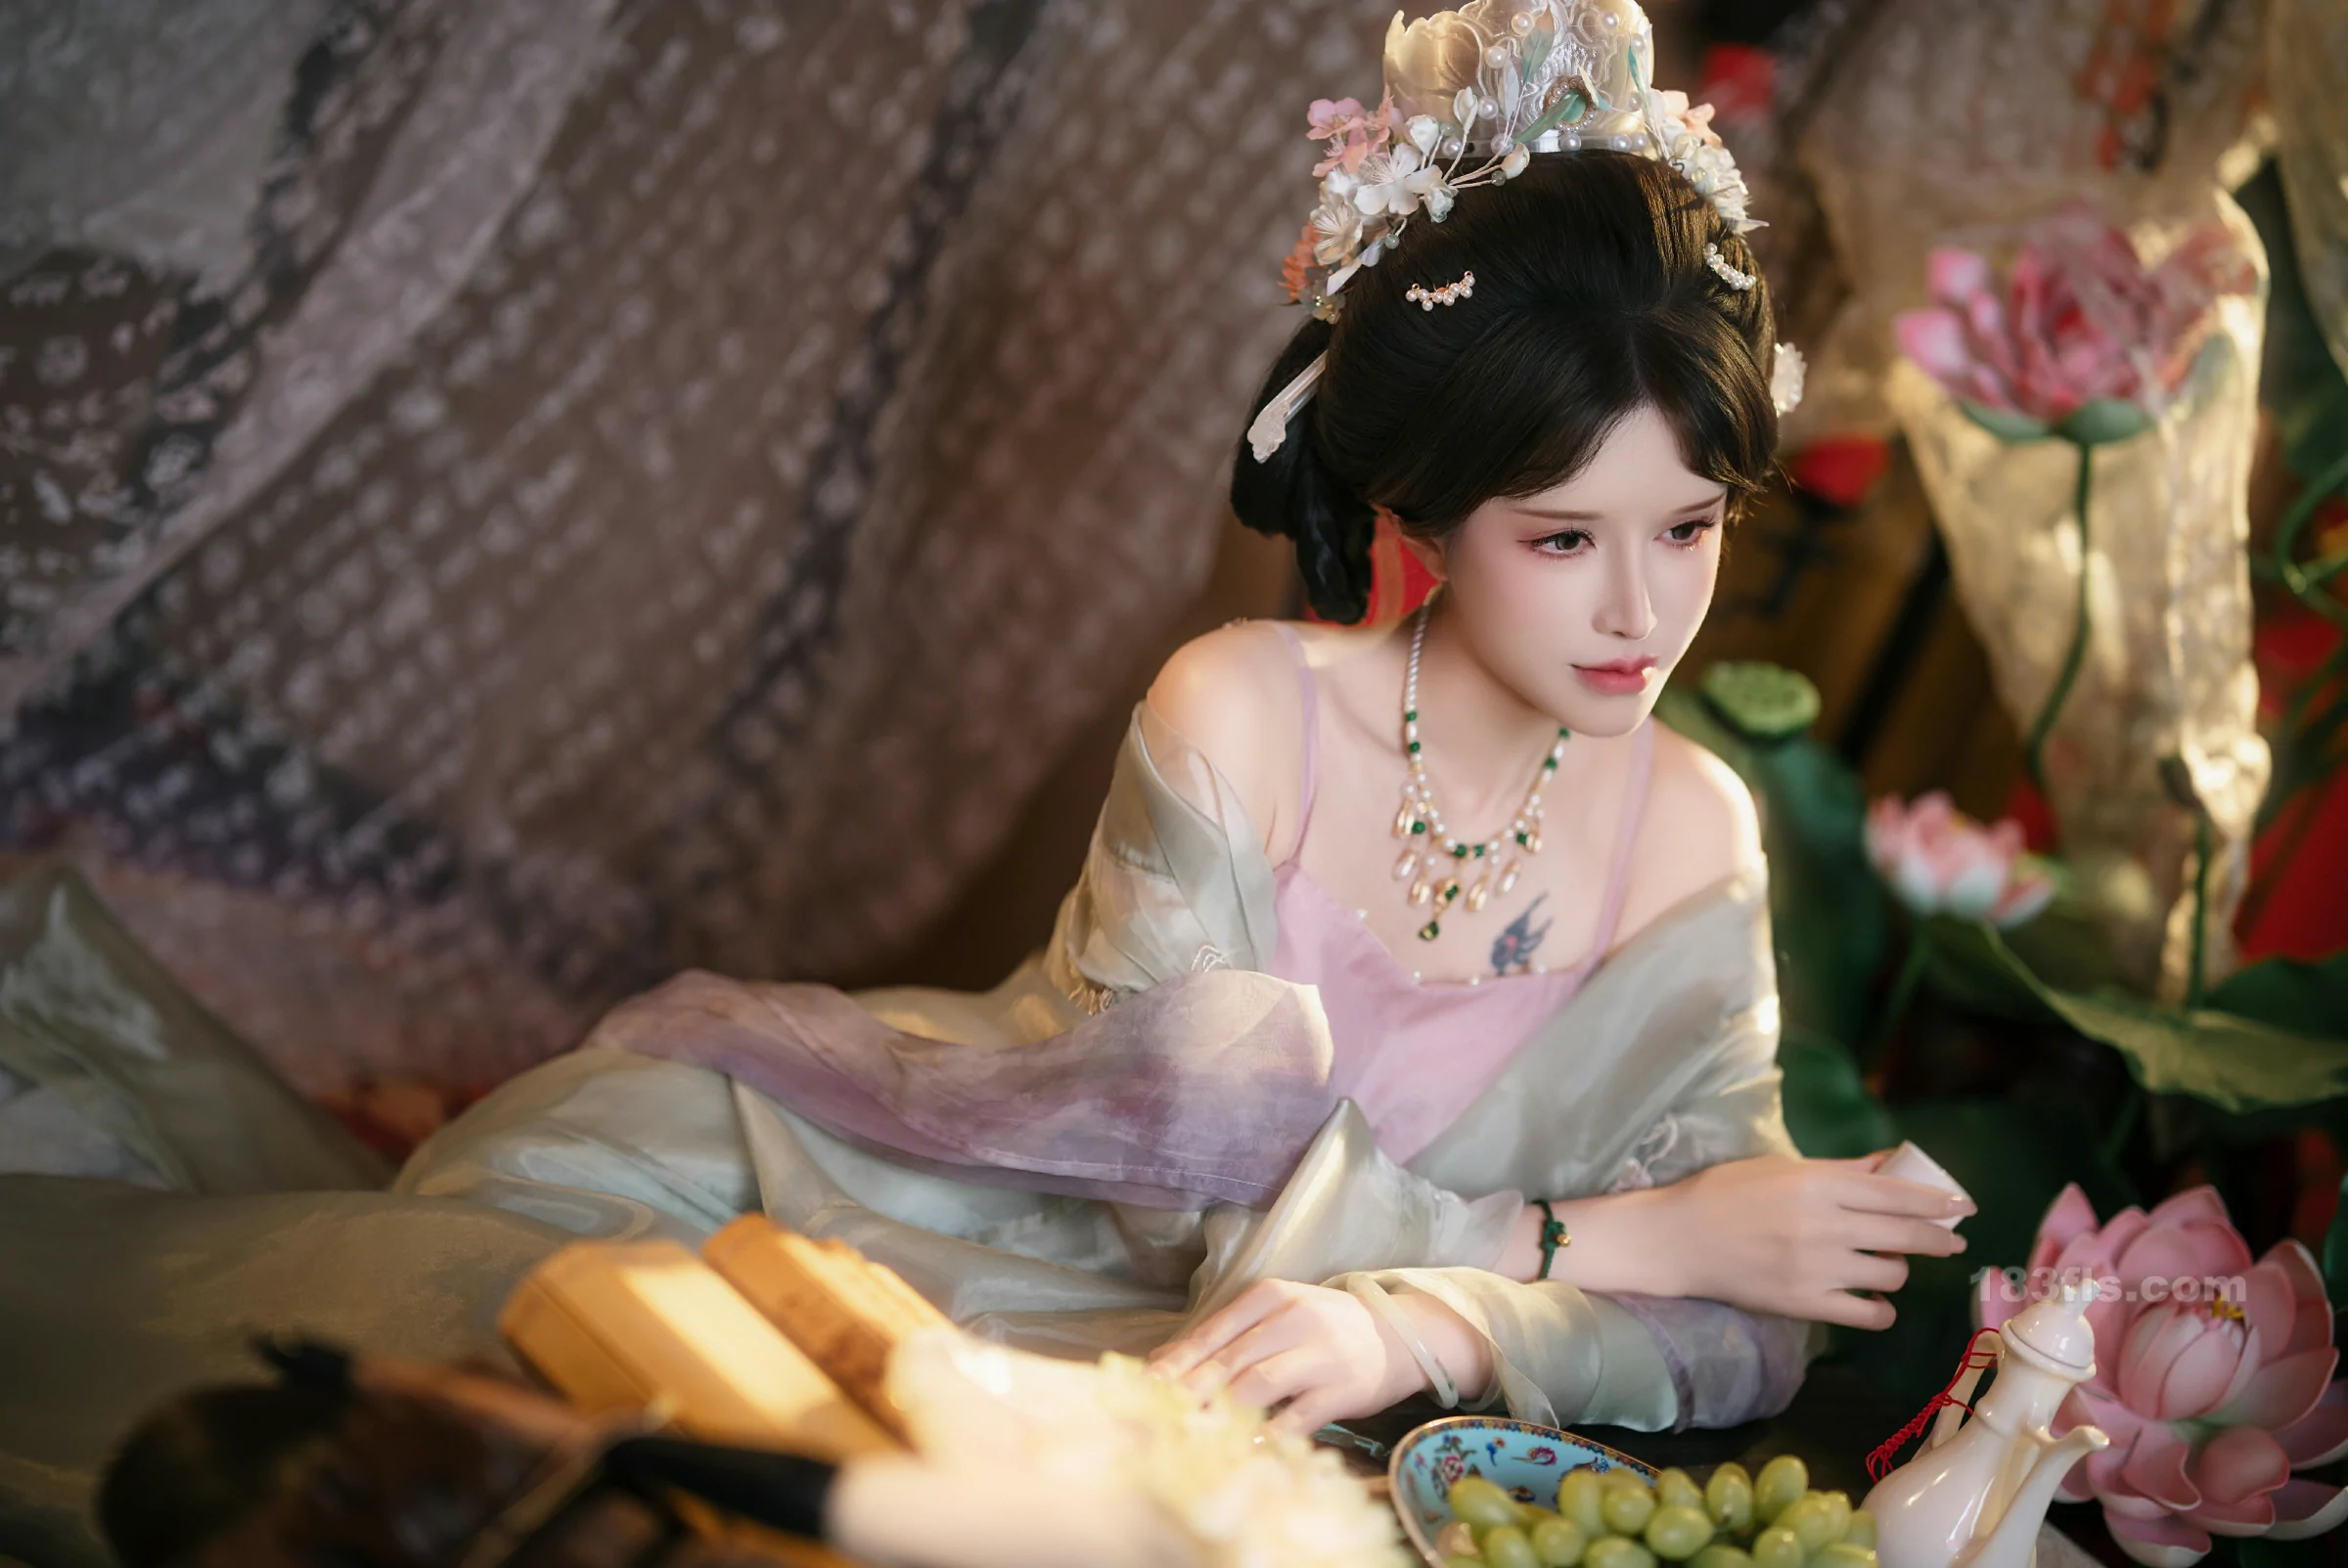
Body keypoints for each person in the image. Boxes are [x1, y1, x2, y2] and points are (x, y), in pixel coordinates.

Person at [384, 0, 1974, 1438]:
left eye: (1689, 526)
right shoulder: (1245, 715)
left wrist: (1433, 1328)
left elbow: (1751, 1312)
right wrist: (1594, 1239)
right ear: (1426, 511)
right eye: (1564, 540)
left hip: (1332, 1397)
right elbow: (1169, 1191)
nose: (1642, 609)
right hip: (977, 1243)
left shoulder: (1692, 829)